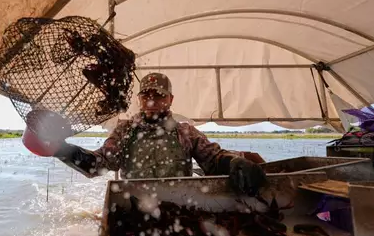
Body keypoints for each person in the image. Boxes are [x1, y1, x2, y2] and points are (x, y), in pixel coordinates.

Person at [52, 72, 267, 196]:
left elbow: (213, 160)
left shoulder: (185, 132)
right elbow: (97, 165)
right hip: (135, 206)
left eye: (159, 96)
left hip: (182, 205)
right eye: (146, 96)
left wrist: (234, 162)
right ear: (139, 99)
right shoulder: (125, 131)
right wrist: (61, 149)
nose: (152, 102)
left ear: (170, 99)